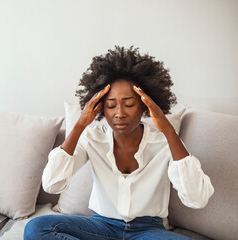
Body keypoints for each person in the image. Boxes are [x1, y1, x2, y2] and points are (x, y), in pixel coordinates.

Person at [24, 46, 214, 240]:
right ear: (100, 108)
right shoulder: (92, 138)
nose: (119, 113)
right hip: (100, 226)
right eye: (111, 105)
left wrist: (168, 130)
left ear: (144, 105)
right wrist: (80, 125)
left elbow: (197, 199)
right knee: (38, 228)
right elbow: (51, 184)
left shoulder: (165, 142)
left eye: (129, 104)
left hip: (148, 230)